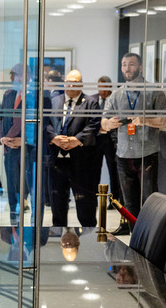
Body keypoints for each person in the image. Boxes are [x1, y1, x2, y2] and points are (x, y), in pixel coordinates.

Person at [101, 53, 166, 235]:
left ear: (140, 68)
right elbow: (102, 123)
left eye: (131, 64)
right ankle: (134, 240)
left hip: (147, 153)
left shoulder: (155, 92)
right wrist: (109, 124)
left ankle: (151, 239)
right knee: (129, 203)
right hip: (123, 155)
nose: (127, 68)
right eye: (124, 65)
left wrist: (146, 120)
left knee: (150, 200)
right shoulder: (116, 95)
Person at [0, 63, 56, 225]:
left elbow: (42, 123)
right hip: (10, 151)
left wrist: (23, 140)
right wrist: (4, 138)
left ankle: (35, 227)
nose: (19, 78)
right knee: (12, 191)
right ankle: (14, 226)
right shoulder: (9, 94)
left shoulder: (41, 95)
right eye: (16, 75)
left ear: (29, 76)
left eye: (22, 75)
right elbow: (3, 119)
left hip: (32, 150)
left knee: (35, 192)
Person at [48, 69, 101, 227]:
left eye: (75, 83)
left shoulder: (90, 102)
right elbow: (45, 124)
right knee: (57, 207)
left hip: (81, 163)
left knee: (85, 209)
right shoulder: (53, 101)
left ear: (81, 84)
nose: (70, 86)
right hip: (56, 162)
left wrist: (76, 140)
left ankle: (89, 243)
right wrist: (54, 138)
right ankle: (60, 240)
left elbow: (94, 126)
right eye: (68, 82)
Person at [93, 76, 123, 209]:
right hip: (96, 140)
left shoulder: (115, 99)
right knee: (94, 169)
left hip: (111, 140)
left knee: (113, 170)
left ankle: (114, 200)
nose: (102, 90)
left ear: (110, 87)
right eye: (100, 87)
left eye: (105, 87)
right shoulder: (92, 99)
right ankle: (93, 198)